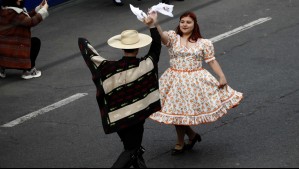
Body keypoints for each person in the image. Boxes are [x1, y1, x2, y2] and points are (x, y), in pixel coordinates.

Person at [150, 11, 244, 155]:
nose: (185, 25)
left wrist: (222, 76)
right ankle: (190, 136)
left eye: (188, 22)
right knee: (176, 111)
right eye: (182, 22)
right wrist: (155, 22)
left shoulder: (203, 43)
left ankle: (181, 141)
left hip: (194, 81)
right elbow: (162, 38)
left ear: (195, 25)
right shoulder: (173, 38)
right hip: (174, 80)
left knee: (180, 112)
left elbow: (211, 60)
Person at [78, 12, 161, 168]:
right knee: (132, 149)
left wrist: (85, 43)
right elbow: (156, 47)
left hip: (117, 117)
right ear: (138, 47)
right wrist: (152, 25)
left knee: (132, 147)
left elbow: (86, 50)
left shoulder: (109, 68)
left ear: (122, 48)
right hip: (137, 117)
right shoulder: (145, 64)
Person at [0, 0, 49, 80]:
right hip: (14, 53)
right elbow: (31, 22)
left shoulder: (5, 11)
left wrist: (38, 9)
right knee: (35, 42)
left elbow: (25, 18)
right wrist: (43, 11)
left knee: (8, 43)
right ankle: (28, 71)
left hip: (3, 53)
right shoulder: (15, 14)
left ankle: (2, 69)